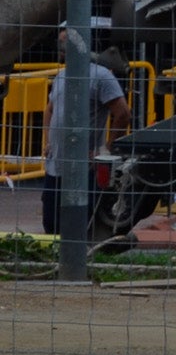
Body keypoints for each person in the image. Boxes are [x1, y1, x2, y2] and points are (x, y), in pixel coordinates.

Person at [39, 45, 132, 236]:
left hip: (84, 167)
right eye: (60, 42)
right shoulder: (62, 75)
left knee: (81, 224)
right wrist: (47, 141)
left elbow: (122, 113)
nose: (61, 48)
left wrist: (106, 148)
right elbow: (49, 109)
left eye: (66, 42)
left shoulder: (101, 75)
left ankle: (82, 260)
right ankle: (59, 262)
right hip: (56, 165)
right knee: (51, 222)